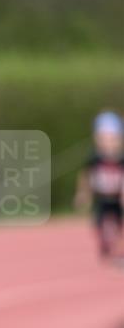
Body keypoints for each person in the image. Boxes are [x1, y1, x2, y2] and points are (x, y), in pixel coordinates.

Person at [74, 111, 124, 261]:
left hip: (118, 198)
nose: (108, 143)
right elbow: (85, 176)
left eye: (112, 139)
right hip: (102, 198)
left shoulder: (122, 158)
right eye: (104, 139)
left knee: (120, 224)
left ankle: (120, 250)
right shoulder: (94, 158)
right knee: (98, 223)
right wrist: (83, 194)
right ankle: (105, 243)